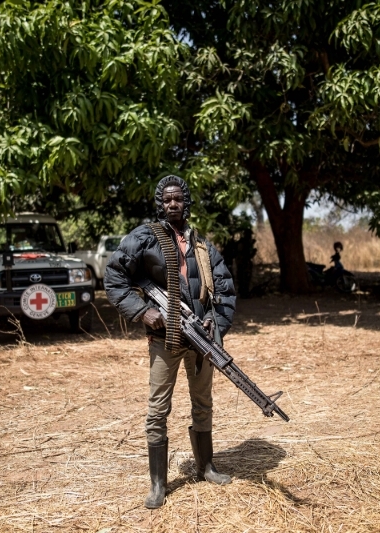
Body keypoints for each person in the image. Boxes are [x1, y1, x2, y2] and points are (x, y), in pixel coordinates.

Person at [104, 175, 236, 509]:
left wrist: (214, 321)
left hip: (200, 340)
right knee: (158, 409)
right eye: (166, 200)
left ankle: (206, 467)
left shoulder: (202, 245)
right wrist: (141, 311)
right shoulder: (145, 238)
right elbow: (114, 277)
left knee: (202, 402)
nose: (172, 204)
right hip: (164, 339)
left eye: (177, 199)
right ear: (160, 203)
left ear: (186, 202)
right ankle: (158, 485)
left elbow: (224, 288)